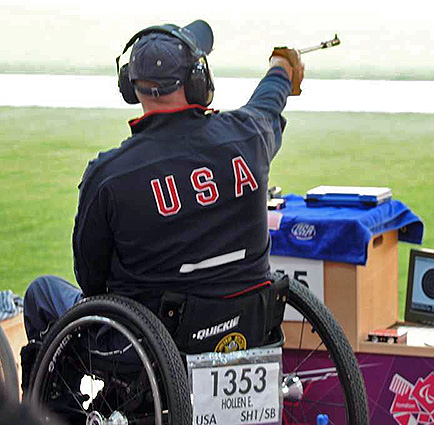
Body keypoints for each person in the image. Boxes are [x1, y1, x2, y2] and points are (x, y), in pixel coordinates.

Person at [21, 19, 304, 393]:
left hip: (143, 346)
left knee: (43, 293)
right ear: (198, 82)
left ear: (130, 85)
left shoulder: (109, 175)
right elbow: (268, 102)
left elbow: (90, 280)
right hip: (248, 328)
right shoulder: (249, 135)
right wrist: (281, 69)